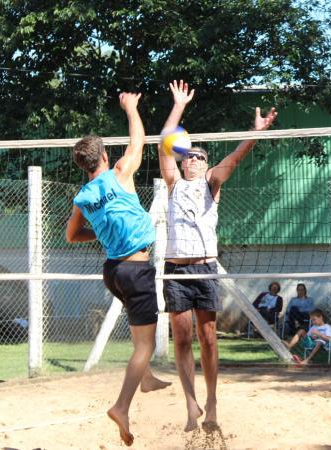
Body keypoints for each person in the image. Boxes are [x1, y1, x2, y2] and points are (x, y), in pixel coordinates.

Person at [159, 80, 277, 430]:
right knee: (181, 338)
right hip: (175, 270)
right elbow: (165, 145)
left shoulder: (211, 183)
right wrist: (178, 105)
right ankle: (191, 404)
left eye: (197, 156)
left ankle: (211, 402)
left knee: (208, 338)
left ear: (205, 164)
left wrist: (255, 133)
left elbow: (236, 157)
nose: (190, 159)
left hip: (204, 269)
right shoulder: (174, 184)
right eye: (187, 156)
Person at [66, 92, 171, 446]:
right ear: (106, 157)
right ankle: (122, 407)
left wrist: (103, 229)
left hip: (112, 271)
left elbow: (71, 235)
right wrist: (131, 108)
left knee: (140, 338)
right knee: (146, 345)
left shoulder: (83, 196)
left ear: (84, 165)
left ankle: (147, 378)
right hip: (135, 270)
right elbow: (139, 140)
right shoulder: (119, 173)